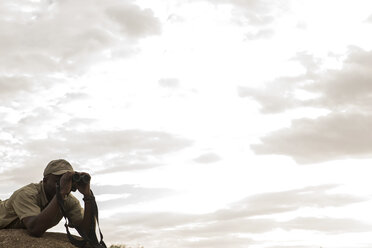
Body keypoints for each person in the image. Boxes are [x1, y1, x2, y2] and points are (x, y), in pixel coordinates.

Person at [0, 159, 96, 237]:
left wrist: (88, 197)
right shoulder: (27, 194)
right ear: (45, 180)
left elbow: (87, 233)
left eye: (66, 180)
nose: (63, 184)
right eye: (59, 180)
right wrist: (60, 194)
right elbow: (35, 229)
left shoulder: (69, 201)